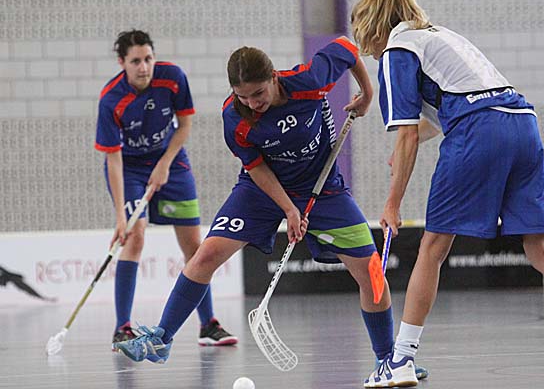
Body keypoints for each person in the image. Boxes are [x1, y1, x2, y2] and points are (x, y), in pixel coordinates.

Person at [113, 36, 428, 380]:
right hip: (260, 190)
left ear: (273, 78)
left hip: (324, 189)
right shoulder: (235, 117)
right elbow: (256, 167)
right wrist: (290, 210)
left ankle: (389, 360)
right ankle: (162, 338)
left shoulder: (309, 80)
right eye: (243, 96)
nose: (252, 103)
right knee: (206, 255)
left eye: (258, 93)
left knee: (370, 272)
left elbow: (347, 47)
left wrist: (367, 94)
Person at [351, 0, 544, 387]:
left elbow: (409, 134)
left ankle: (401, 360)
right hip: (522, 122)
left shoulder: (398, 49)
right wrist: (405, 150)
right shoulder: (440, 36)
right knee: (540, 250)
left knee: (432, 248)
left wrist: (392, 203)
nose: (367, 49)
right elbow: (452, 110)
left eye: (364, 37)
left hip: (478, 129)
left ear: (373, 25)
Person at [94, 29, 237, 350]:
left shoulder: (172, 78)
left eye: (148, 58)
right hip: (130, 169)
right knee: (135, 237)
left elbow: (184, 125)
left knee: (195, 246)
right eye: (135, 61)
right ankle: (122, 328)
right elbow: (113, 160)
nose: (144, 67)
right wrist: (120, 218)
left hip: (171, 162)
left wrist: (164, 164)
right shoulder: (111, 99)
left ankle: (208, 325)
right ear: (122, 63)